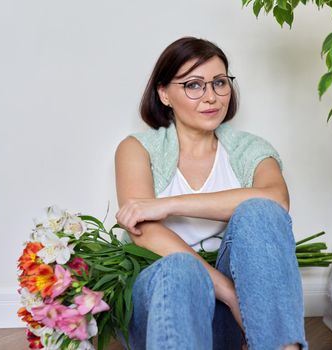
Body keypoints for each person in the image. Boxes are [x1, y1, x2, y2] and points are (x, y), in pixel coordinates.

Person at [115, 37, 307, 350]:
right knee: (180, 269)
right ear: (164, 94)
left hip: (234, 323)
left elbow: (276, 200)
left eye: (219, 83)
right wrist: (231, 294)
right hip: (162, 310)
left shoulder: (249, 149)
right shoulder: (137, 149)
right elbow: (143, 231)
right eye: (194, 85)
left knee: (260, 211)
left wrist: (167, 205)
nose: (211, 97)